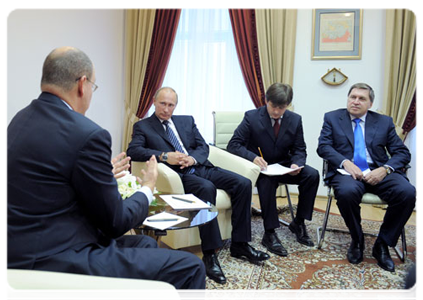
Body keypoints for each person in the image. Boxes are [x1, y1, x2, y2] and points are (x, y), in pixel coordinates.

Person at [5, 47, 205, 300]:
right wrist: (147, 187)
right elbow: (117, 223)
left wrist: (103, 175)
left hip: (20, 243)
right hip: (56, 255)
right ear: (82, 84)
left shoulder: (19, 120)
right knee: (190, 268)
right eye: (93, 87)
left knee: (145, 243)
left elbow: (48, 181)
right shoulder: (87, 133)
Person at [127, 87, 270, 284]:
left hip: (199, 166)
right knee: (206, 188)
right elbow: (134, 150)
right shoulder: (143, 126)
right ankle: (209, 254)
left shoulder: (186, 121)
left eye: (171, 105)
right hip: (180, 175)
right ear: (154, 101)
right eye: (163, 104)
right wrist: (166, 156)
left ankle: (240, 244)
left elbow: (203, 146)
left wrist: (193, 159)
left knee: (243, 184)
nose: (166, 109)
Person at [317, 82, 417, 272]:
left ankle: (382, 244)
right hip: (347, 172)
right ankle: (357, 239)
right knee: (346, 192)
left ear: (370, 104)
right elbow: (324, 147)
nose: (355, 101)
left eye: (361, 98)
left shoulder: (384, 122)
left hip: (378, 170)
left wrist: (385, 169)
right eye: (352, 97)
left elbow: (402, 153)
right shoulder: (332, 118)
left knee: (407, 193)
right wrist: (345, 162)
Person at [227, 83, 319, 257]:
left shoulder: (295, 119)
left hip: (284, 165)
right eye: (273, 106)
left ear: (288, 105)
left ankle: (298, 222)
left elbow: (300, 149)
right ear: (266, 101)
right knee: (266, 181)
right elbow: (234, 145)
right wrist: (252, 157)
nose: (276, 112)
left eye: (281, 108)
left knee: (312, 175)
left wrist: (296, 164)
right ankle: (269, 232)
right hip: (261, 167)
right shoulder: (251, 117)